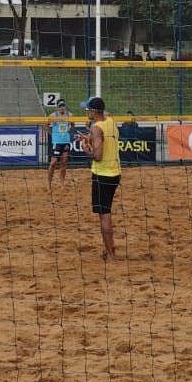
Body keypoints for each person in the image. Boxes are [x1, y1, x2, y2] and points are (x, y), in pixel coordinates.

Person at [77, 97, 120, 261]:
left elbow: (98, 156)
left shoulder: (96, 128)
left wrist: (85, 149)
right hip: (115, 172)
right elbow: (106, 115)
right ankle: (109, 249)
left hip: (102, 174)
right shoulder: (111, 121)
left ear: (94, 112)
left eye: (87, 110)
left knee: (104, 214)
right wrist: (88, 139)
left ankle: (110, 254)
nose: (85, 112)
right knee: (106, 212)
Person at [46, 99, 73, 188]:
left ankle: (62, 183)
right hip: (57, 142)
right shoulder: (53, 115)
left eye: (63, 106)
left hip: (65, 141)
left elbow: (73, 124)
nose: (62, 108)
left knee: (64, 163)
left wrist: (68, 130)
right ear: (57, 107)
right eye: (60, 106)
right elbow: (45, 125)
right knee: (53, 163)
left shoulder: (70, 115)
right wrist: (52, 134)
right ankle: (49, 182)